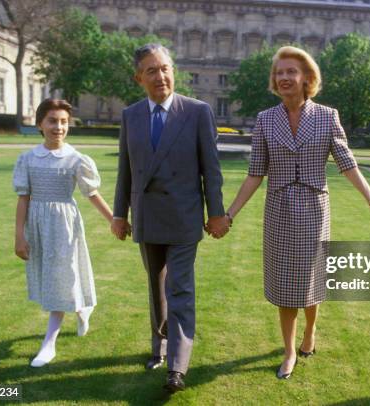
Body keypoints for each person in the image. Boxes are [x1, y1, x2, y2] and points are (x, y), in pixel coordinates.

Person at [222, 46, 370, 380]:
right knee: (285, 282)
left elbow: (348, 165)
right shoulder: (265, 119)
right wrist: (229, 214)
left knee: (311, 278)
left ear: (307, 78)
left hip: (315, 210)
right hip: (279, 210)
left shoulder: (327, 116)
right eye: (279, 72)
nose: (284, 77)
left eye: (291, 71)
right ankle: (290, 350)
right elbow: (254, 174)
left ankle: (310, 331)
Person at [111, 43, 230, 392]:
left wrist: (218, 213)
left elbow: (212, 169)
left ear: (173, 71)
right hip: (147, 216)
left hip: (183, 218)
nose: (160, 76)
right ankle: (158, 347)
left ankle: (177, 367)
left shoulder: (197, 111)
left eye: (165, 68)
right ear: (139, 78)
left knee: (179, 289)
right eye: (151, 70)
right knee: (155, 289)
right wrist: (119, 214)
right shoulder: (130, 115)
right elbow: (125, 171)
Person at [13, 98, 114, 367]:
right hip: (37, 225)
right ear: (39, 125)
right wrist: (19, 235)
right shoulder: (27, 159)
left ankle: (49, 343)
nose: (59, 127)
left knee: (61, 277)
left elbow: (91, 194)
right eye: (52, 121)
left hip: (65, 226)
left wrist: (114, 220)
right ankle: (82, 308)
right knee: (52, 279)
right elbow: (23, 198)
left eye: (63, 122)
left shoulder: (76, 159)